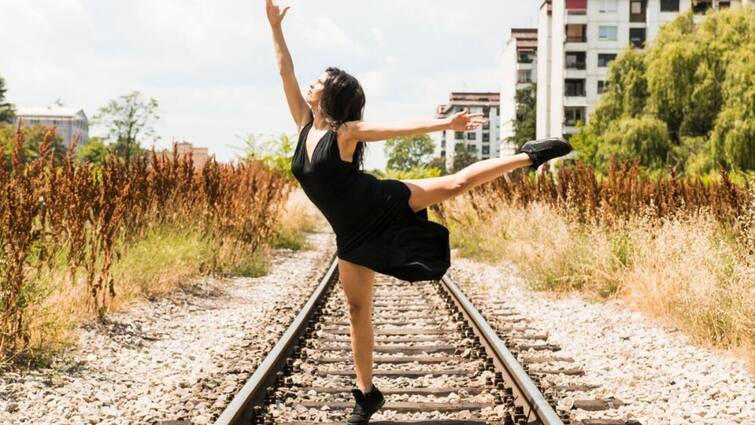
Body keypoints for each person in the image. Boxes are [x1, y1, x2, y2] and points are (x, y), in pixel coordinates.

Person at [265, 1, 572, 423]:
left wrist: (444, 125)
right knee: (357, 312)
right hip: (350, 234)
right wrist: (275, 29)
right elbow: (285, 71)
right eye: (313, 80)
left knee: (456, 184)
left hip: (380, 202)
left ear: (331, 94)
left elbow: (396, 129)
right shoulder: (303, 124)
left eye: (319, 81)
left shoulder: (346, 132)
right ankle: (366, 394)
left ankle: (529, 157)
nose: (310, 84)